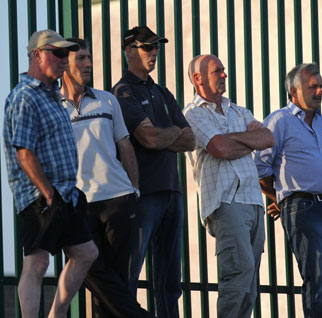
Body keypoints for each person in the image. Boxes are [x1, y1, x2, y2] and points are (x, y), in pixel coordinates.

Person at [2, 29, 98, 318]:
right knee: (37, 263)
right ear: (37, 55)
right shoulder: (25, 96)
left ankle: (56, 315)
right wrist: (48, 194)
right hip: (39, 195)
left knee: (86, 253)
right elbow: (24, 152)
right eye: (56, 53)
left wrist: (60, 194)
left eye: (65, 54)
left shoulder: (51, 95)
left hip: (65, 192)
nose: (63, 59)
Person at [60, 37, 150, 318]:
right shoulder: (54, 106)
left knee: (116, 278)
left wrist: (134, 189)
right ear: (64, 65)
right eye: (81, 59)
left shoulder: (107, 100)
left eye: (89, 58)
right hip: (79, 204)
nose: (88, 64)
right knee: (89, 270)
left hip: (118, 200)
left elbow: (125, 145)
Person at [254, 63, 322, 318]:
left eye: (321, 86)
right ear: (294, 92)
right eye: (313, 87)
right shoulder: (280, 121)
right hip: (304, 209)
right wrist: (282, 199)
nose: (320, 91)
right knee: (319, 276)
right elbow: (259, 167)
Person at [112, 26, 195, 317]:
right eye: (148, 47)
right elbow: (149, 139)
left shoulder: (162, 91)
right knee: (131, 272)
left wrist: (162, 135)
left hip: (172, 192)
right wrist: (171, 133)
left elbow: (191, 139)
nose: (155, 53)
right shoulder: (123, 92)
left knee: (170, 280)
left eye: (157, 47)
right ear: (130, 51)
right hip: (144, 193)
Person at [184, 54, 274, 318]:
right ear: (197, 79)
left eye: (224, 70)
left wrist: (231, 139)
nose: (224, 75)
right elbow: (220, 149)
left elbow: (267, 138)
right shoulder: (193, 113)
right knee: (238, 274)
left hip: (253, 202)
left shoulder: (238, 110)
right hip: (226, 202)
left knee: (250, 283)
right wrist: (246, 141)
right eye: (217, 71)